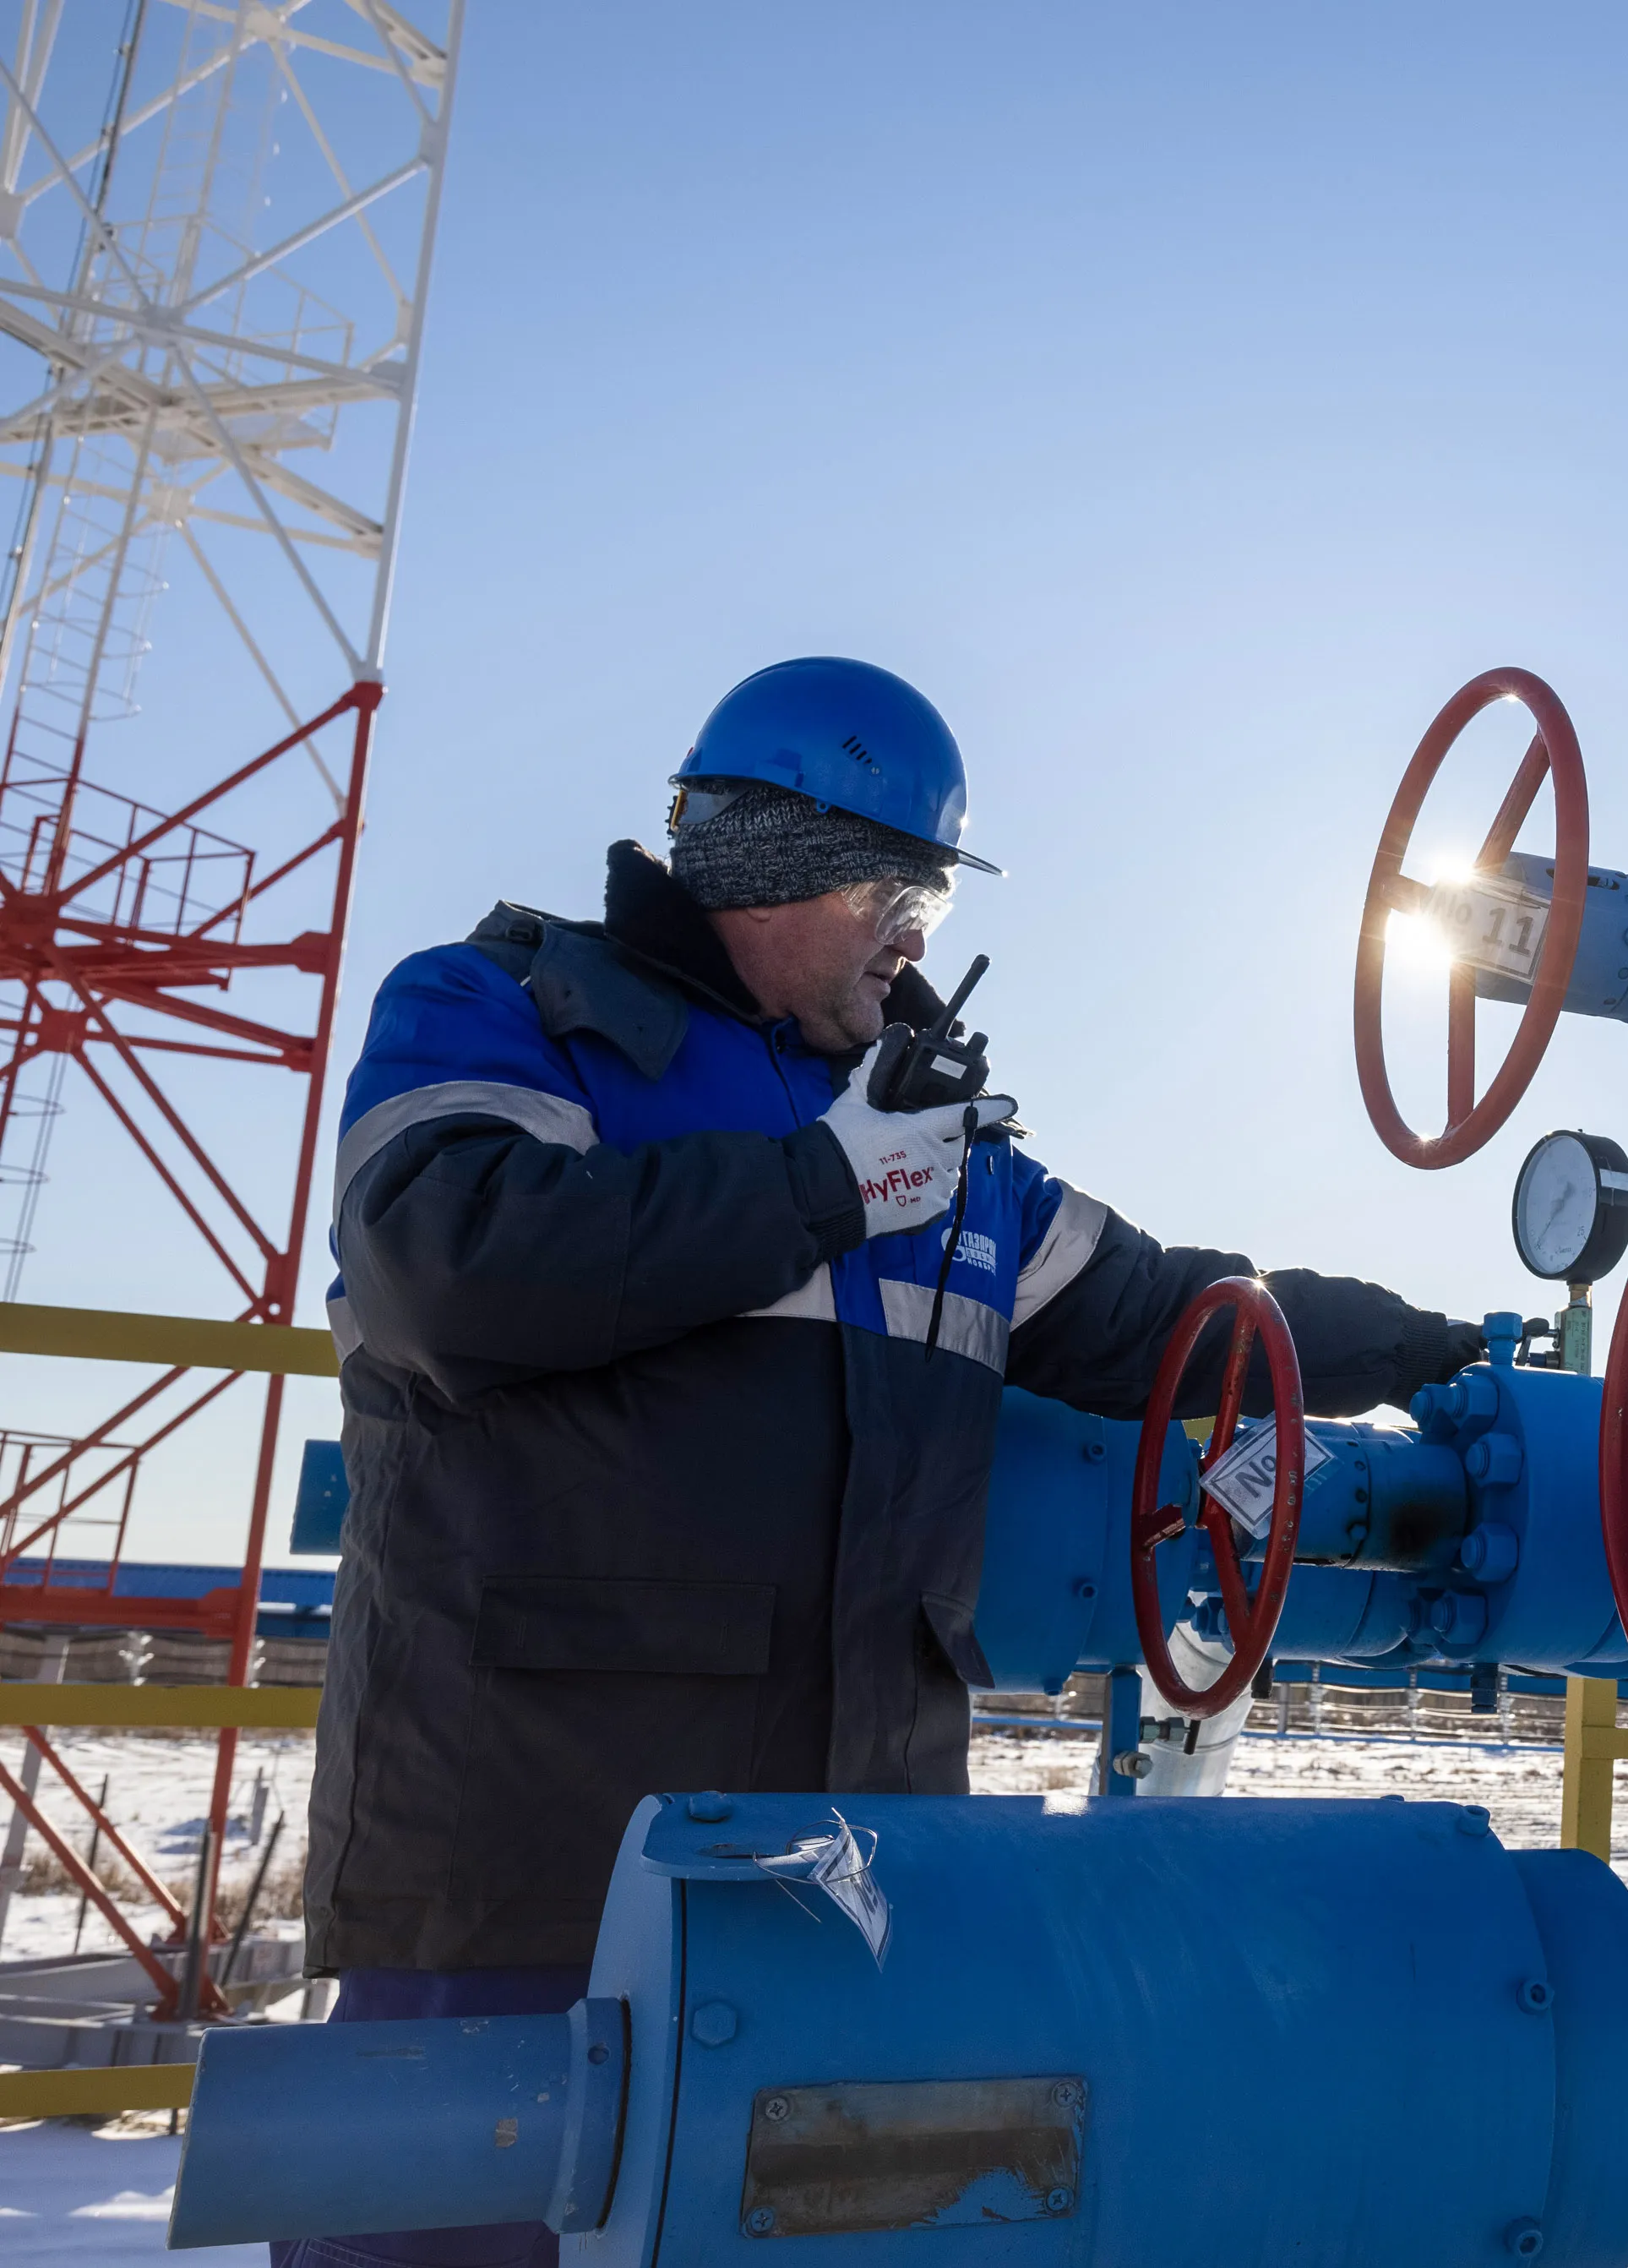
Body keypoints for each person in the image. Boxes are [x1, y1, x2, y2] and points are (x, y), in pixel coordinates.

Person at [288, 657, 1484, 2268]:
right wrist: (823, 1189)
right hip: (523, 1878)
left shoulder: (940, 1152)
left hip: (842, 1887)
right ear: (775, 857)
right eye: (901, 883)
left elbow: (1163, 1319)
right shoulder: (512, 1011)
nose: (921, 928)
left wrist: (1408, 1339)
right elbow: (448, 1262)